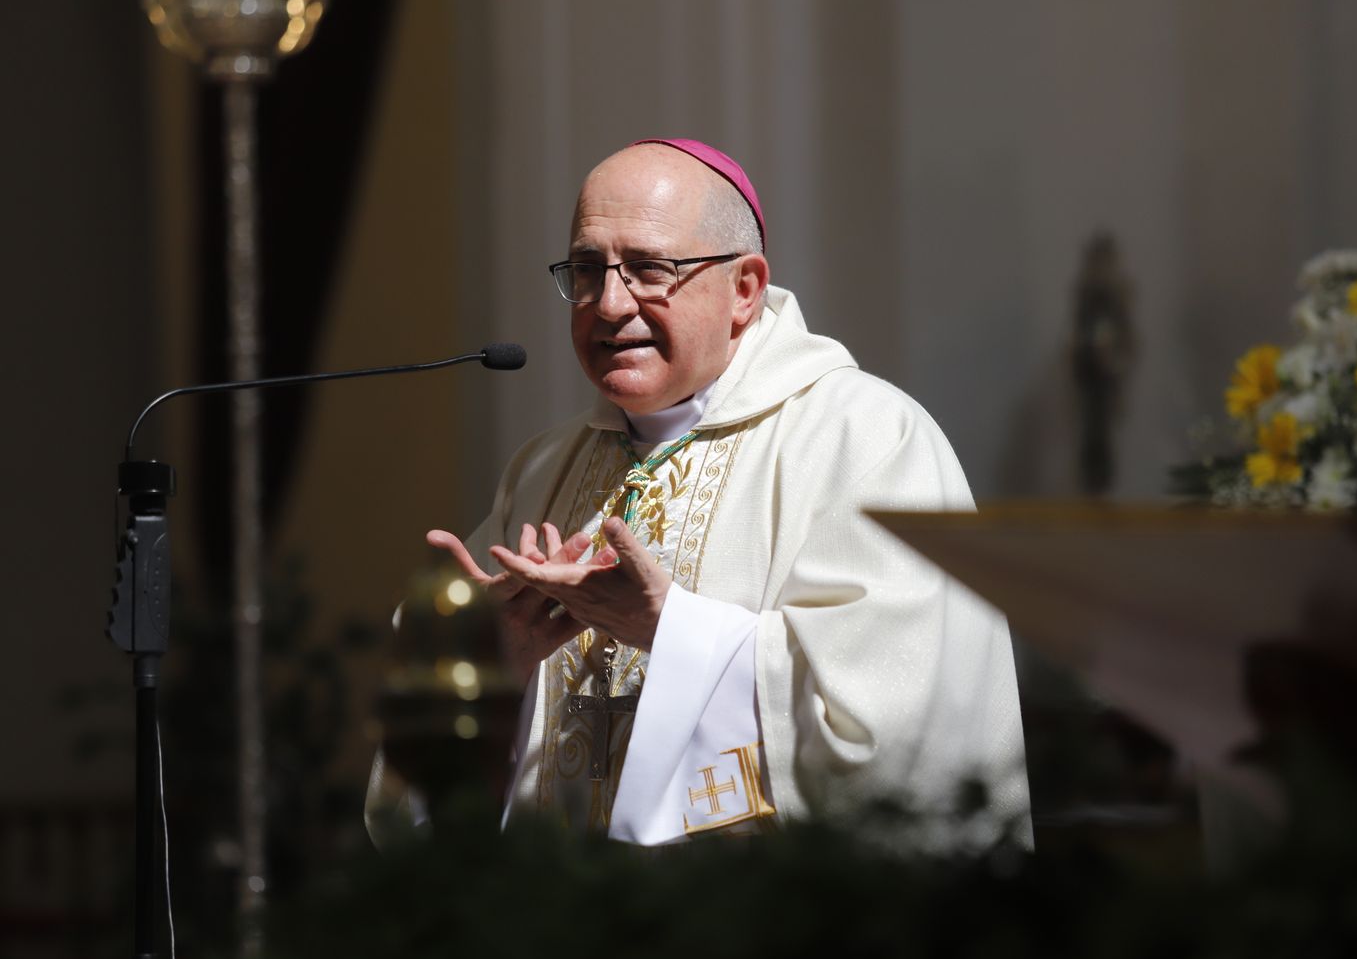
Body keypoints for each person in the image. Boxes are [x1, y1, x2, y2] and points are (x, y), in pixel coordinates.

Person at [378, 138, 1031, 849]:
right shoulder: (542, 469)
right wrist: (494, 669)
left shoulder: (868, 439)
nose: (609, 304)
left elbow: (902, 738)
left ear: (744, 289)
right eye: (588, 270)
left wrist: (671, 630)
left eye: (649, 269)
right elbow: (420, 794)